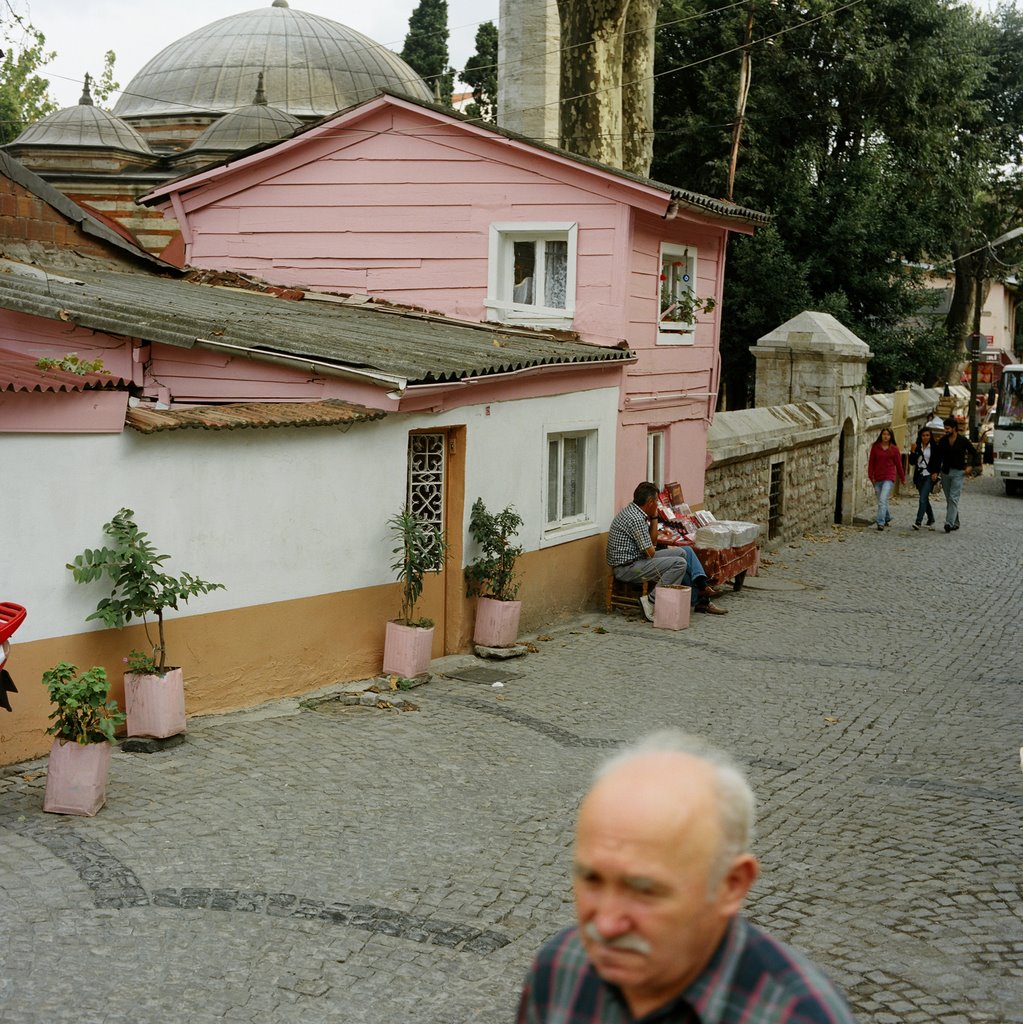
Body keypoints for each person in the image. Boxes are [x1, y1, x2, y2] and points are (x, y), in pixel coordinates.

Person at [517, 730, 857, 1024]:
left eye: (645, 891)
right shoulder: (560, 968)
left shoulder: (801, 1015)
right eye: (591, 880)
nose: (605, 925)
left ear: (731, 884)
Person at [606, 482, 727, 618]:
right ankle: (651, 602)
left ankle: (701, 588)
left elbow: (652, 543)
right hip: (629, 569)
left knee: (685, 551)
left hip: (638, 560)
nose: (658, 504)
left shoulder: (635, 511)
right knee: (679, 563)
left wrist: (654, 518)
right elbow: (651, 552)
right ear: (650, 502)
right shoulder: (635, 519)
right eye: (657, 501)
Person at [935, 416, 979, 533]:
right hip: (945, 473)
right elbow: (937, 457)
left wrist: (970, 466)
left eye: (948, 428)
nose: (946, 431)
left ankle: (948, 523)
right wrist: (935, 471)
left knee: (953, 498)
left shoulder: (963, 440)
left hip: (958, 472)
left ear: (954, 428)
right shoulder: (943, 441)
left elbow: (975, 454)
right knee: (950, 499)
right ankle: (956, 522)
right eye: (945, 428)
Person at [866, 427, 905, 531]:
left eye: (888, 434)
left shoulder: (894, 449)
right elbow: (871, 463)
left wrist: (902, 478)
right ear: (881, 435)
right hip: (877, 477)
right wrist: (871, 476)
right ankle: (887, 517)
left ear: (891, 436)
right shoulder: (875, 447)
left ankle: (880, 522)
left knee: (883, 499)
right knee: (881, 500)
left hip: (889, 477)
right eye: (884, 434)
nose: (886, 436)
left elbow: (899, 465)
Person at [908, 426, 940, 530]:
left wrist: (936, 472)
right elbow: (912, 462)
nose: (925, 437)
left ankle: (918, 521)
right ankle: (931, 518)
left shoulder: (934, 448)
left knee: (922, 499)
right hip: (919, 475)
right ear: (920, 436)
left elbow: (937, 461)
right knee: (924, 498)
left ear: (930, 436)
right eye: (923, 435)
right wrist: (912, 452)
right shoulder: (917, 447)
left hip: (929, 475)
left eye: (927, 435)